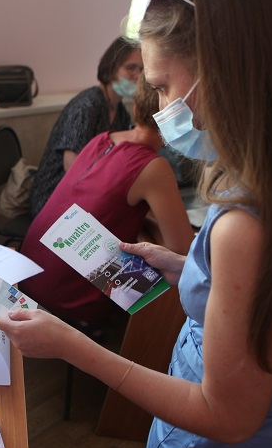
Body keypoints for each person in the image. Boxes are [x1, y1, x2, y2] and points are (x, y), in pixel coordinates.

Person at [0, 0, 272, 448]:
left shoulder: (246, 226)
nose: (160, 107)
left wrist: (71, 345)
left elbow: (226, 414)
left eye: (163, 86)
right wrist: (190, 267)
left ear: (226, 69)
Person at [19, 74, 193, 331]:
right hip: (62, 299)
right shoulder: (153, 166)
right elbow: (183, 252)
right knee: (170, 284)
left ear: (135, 107)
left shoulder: (102, 140)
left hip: (29, 274)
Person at [29, 36, 143, 218]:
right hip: (52, 199)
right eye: (131, 68)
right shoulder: (87, 104)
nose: (137, 76)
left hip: (83, 195)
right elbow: (70, 165)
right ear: (111, 68)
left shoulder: (120, 111)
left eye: (141, 70)